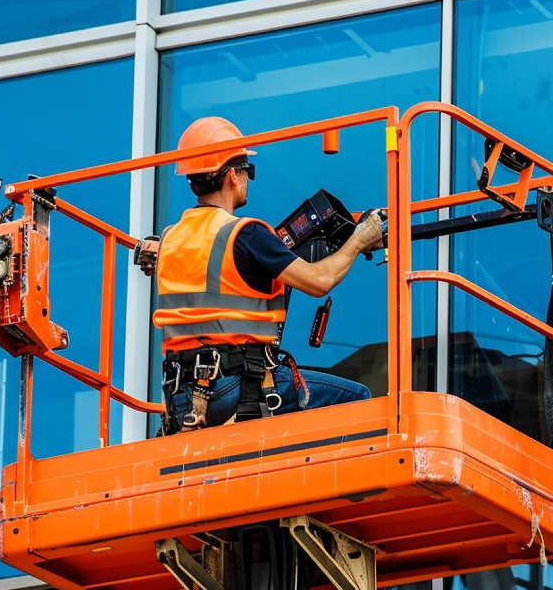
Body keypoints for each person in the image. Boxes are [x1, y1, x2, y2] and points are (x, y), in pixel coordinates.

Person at [151, 116, 383, 434]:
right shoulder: (246, 234)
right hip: (237, 387)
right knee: (358, 398)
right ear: (233, 175)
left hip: (182, 398)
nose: (248, 178)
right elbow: (319, 282)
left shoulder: (168, 240)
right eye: (248, 170)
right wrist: (359, 239)